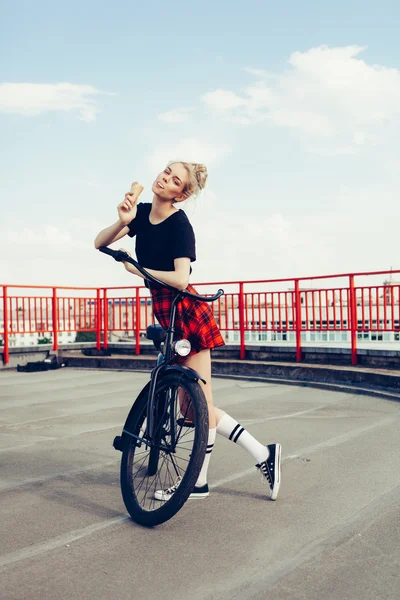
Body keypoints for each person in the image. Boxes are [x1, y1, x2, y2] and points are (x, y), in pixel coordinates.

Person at [94, 161, 281, 500]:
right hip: (167, 312)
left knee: (200, 405)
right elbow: (99, 242)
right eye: (165, 172)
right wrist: (121, 221)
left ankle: (200, 481)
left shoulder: (180, 224)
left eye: (174, 179)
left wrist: (139, 271)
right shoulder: (142, 212)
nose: (164, 178)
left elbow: (181, 278)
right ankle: (262, 455)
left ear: (181, 194)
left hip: (187, 312)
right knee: (192, 409)